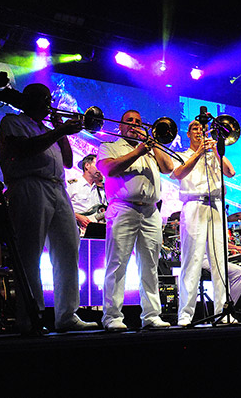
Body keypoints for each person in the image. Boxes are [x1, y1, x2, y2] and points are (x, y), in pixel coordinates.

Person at [0, 83, 96, 333]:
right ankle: (31, 316)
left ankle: (67, 315)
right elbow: (24, 149)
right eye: (43, 99)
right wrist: (58, 130)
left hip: (57, 188)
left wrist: (60, 131)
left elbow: (68, 161)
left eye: (49, 99)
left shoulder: (47, 129)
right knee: (30, 253)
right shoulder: (13, 122)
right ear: (28, 100)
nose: (48, 103)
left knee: (68, 249)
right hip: (29, 185)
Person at [97, 110, 175, 331]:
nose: (134, 124)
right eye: (129, 121)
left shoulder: (151, 149)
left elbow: (168, 168)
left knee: (150, 265)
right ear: (120, 127)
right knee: (117, 264)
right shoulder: (110, 146)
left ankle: (151, 314)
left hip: (150, 211)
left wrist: (153, 145)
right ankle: (112, 317)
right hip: (123, 208)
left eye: (138, 122)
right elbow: (108, 168)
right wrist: (139, 150)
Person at [171, 120, 236, 326]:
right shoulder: (181, 154)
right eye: (195, 129)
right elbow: (178, 174)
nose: (200, 132)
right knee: (192, 260)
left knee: (220, 261)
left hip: (216, 204)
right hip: (194, 205)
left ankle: (223, 311)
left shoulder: (215, 153)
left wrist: (216, 151)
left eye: (202, 129)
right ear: (188, 134)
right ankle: (185, 314)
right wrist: (198, 152)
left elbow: (230, 172)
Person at [67, 154, 107, 235]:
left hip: (94, 230)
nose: (100, 169)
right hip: (75, 228)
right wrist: (78, 217)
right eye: (97, 165)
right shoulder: (72, 185)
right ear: (87, 166)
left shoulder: (100, 190)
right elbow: (61, 206)